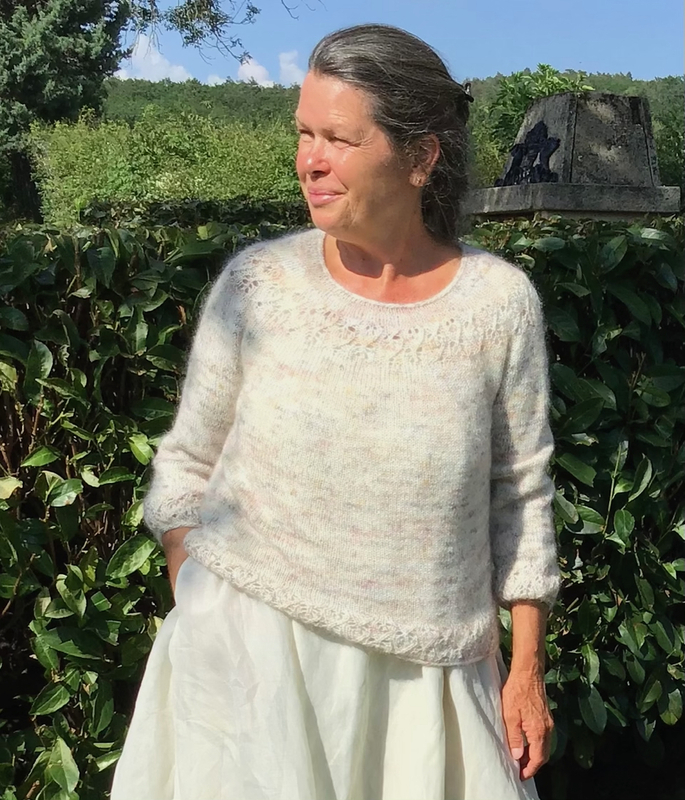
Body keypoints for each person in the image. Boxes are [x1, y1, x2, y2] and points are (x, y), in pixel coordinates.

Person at [111, 23, 561, 800]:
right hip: (248, 674)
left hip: (426, 688)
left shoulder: (496, 304)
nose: (309, 161)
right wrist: (200, 599)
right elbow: (187, 461)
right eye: (304, 134)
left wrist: (525, 670)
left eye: (339, 139)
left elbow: (520, 495)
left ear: (420, 158)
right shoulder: (259, 285)